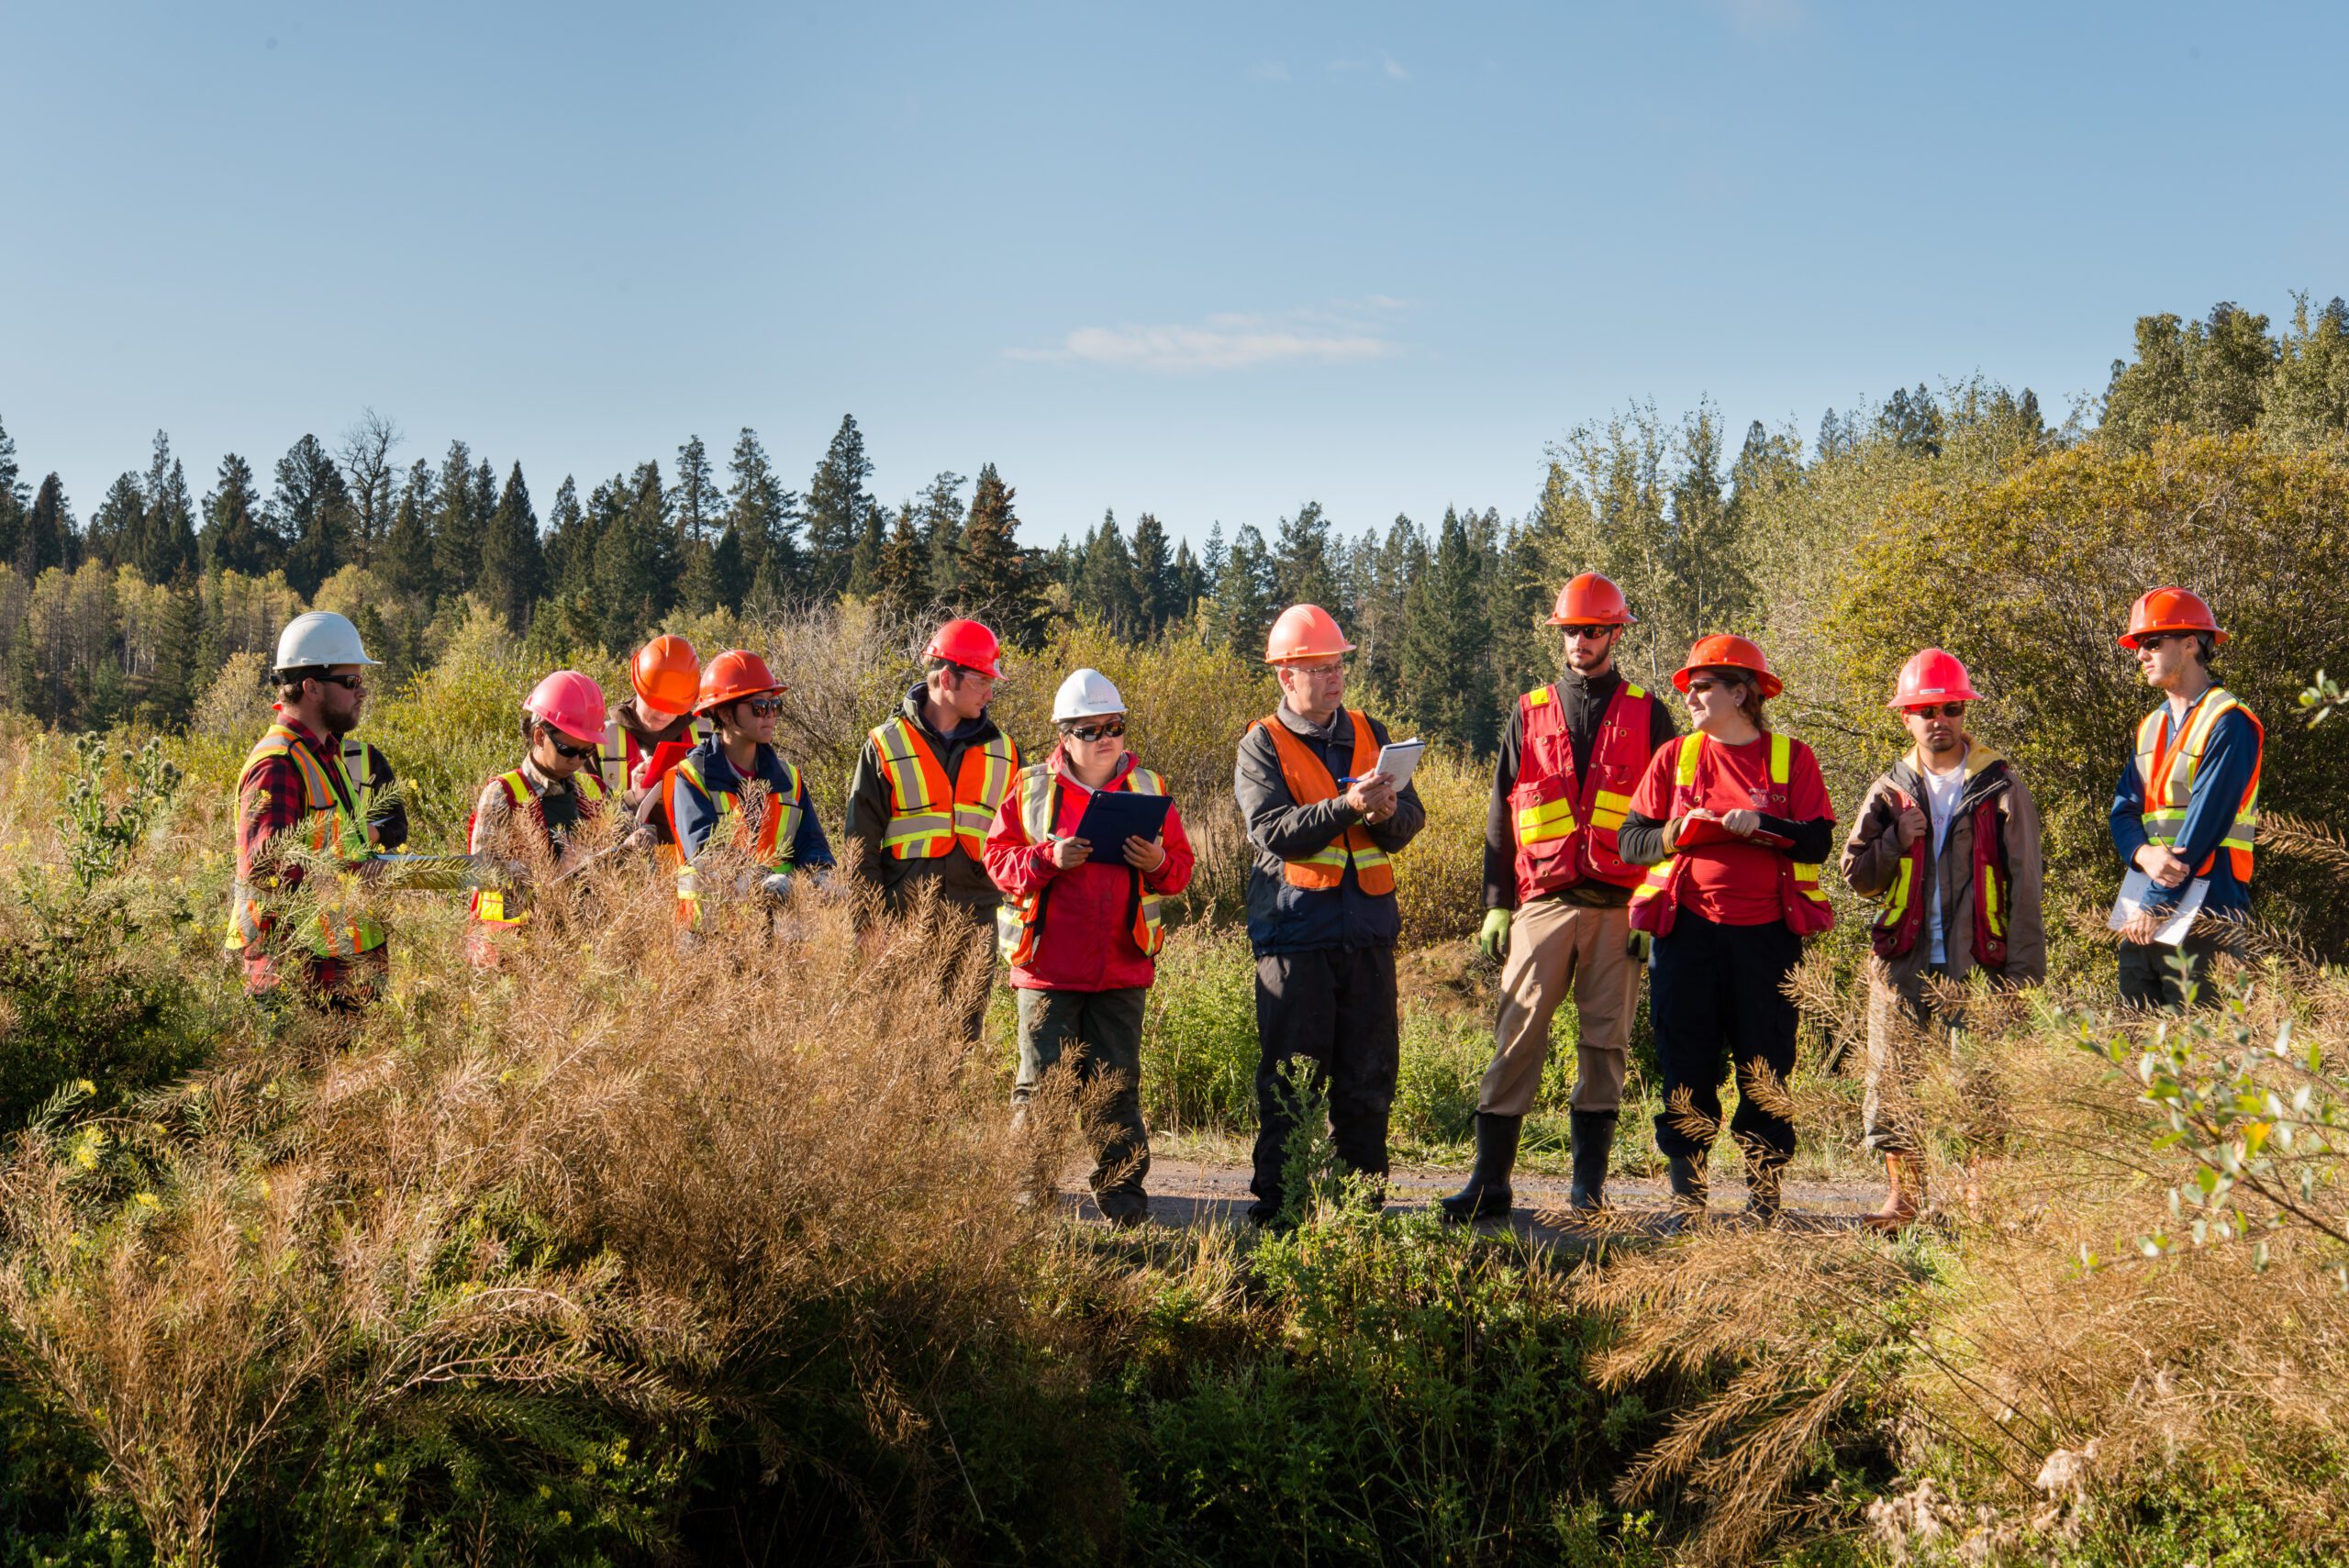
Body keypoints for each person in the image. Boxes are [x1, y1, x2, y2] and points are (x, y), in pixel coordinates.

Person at [1444, 573, 1678, 1222]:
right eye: (1572, 629)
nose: (1581, 640)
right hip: (1541, 902)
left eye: (1594, 629)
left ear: (1615, 633)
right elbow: (1500, 811)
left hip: (1619, 907)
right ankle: (1490, 1184)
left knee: (1606, 1048)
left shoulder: (1649, 711)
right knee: (1516, 1036)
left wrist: (1654, 902)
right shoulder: (1529, 709)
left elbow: (1670, 820)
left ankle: (1588, 1194)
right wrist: (1496, 901)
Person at [1618, 634, 1835, 1226]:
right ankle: (1688, 1201)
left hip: (1767, 939)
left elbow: (1819, 839)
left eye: (1703, 686)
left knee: (1766, 1066)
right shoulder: (1674, 758)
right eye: (1689, 686)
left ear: (1741, 692)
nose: (1690, 696)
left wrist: (1762, 822)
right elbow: (1630, 841)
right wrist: (1674, 832)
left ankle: (1764, 1201)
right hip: (1686, 936)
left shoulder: (1792, 758)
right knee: (1685, 1062)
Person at [1839, 648, 2045, 1228]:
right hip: (1903, 963)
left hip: (1981, 964)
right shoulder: (1889, 789)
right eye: (1925, 709)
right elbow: (1856, 877)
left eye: (1950, 707)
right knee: (1894, 1082)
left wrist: (2023, 979)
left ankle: (1984, 1204)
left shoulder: (2002, 785)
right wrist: (1894, 841)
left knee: (1983, 1088)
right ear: (1905, 717)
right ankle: (1903, 1201)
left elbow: (2025, 886)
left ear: (1964, 712)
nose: (1939, 719)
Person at [1234, 604, 1425, 1225]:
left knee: (1368, 1085)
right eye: (1318, 668)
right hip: (1294, 941)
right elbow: (1273, 831)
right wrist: (1347, 806)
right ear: (1286, 676)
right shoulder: (1261, 742)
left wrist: (1382, 814)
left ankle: (1361, 1215)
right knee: (1291, 1087)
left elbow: (1408, 824)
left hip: (1367, 936)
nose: (1333, 677)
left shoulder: (1373, 729)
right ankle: (1280, 1216)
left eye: (1338, 664)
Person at [984, 668, 1196, 1226]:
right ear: (1064, 734)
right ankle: (1030, 1203)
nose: (1106, 737)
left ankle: (1123, 1206)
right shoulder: (1031, 790)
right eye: (1090, 728)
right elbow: (998, 863)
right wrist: (1046, 860)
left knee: (1115, 1089)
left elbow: (1180, 872)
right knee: (1041, 1091)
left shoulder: (1149, 789)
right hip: (1048, 968)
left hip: (1121, 969)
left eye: (1115, 726)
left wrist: (1157, 864)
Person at [843, 618, 1022, 1040]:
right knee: (896, 1044)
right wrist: (867, 926)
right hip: (902, 921)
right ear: (947, 678)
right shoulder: (884, 744)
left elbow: (1019, 844)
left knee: (958, 1046)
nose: (990, 693)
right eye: (980, 681)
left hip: (975, 922)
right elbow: (859, 846)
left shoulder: (1006, 752)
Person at [225, 610, 405, 1007]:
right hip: (299, 982)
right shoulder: (278, 763)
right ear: (311, 687)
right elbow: (266, 873)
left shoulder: (325, 756)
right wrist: (359, 877)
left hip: (339, 976)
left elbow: (341, 848)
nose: (362, 691)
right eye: (351, 681)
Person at [2109, 587, 2263, 1009]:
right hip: (2145, 907)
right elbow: (2122, 811)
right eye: (2139, 646)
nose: (2141, 654)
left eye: (2152, 643)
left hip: (2208, 910)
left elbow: (2204, 825)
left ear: (2191, 643)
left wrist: (2156, 905)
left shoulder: (2229, 722)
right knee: (2140, 1049)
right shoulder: (2151, 727)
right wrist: (2143, 854)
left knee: (2207, 1053)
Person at [664, 649, 833, 924]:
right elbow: (707, 852)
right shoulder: (692, 778)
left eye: (774, 705)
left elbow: (810, 843)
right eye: (759, 706)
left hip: (778, 935)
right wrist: (760, 880)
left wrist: (822, 874)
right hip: (711, 939)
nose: (770, 715)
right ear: (725, 714)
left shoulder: (789, 779)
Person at [465, 670, 614, 967]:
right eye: (568, 750)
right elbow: (483, 878)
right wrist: (556, 873)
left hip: (580, 953)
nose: (577, 761)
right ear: (538, 736)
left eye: (586, 752)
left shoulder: (594, 790)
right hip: (512, 959)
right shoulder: (502, 794)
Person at [604, 634, 702, 816]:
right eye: (656, 703)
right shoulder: (601, 741)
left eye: (673, 706)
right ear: (638, 687)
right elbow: (583, 823)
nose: (663, 713)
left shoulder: (707, 737)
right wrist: (633, 797)